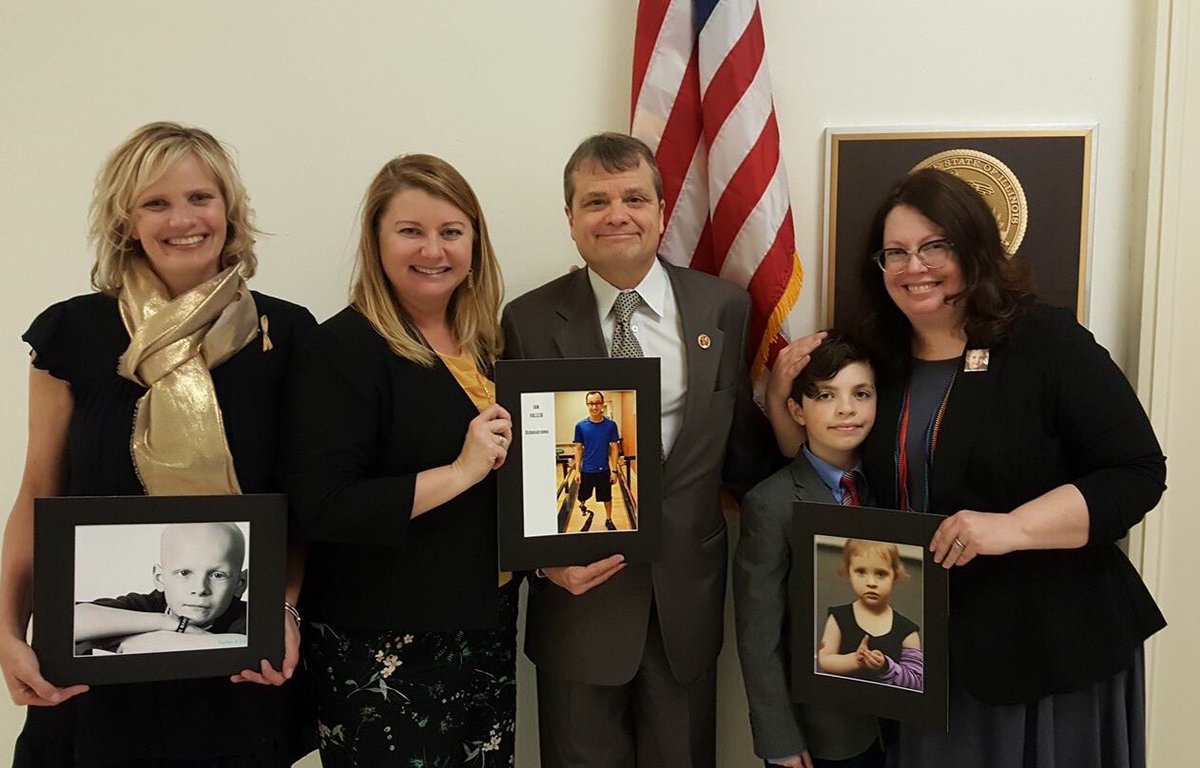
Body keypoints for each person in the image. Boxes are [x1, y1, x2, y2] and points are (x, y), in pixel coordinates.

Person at [767, 167, 1166, 767]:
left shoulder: (1045, 340)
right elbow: (821, 466)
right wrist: (780, 398)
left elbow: (1136, 472)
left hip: (1046, 647)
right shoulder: (874, 358)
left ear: (974, 248)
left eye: (935, 246)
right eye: (896, 252)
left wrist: (1012, 528)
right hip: (916, 650)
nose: (914, 266)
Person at [0, 121, 316, 765]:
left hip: (236, 666)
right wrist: (7, 630)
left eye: (201, 197)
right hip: (96, 682)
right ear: (127, 220)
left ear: (229, 208)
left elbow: (303, 499)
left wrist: (283, 611)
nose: (183, 220)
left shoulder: (286, 334)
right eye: (156, 202)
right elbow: (38, 492)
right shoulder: (71, 332)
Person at [501, 132, 780, 768]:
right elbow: (515, 469)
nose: (617, 214)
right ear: (570, 217)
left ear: (660, 211)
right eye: (595, 201)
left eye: (633, 198)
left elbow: (742, 452)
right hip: (578, 603)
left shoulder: (723, 308)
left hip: (687, 601)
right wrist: (541, 563)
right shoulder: (528, 319)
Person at [283, 153, 516, 767]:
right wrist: (460, 471)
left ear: (474, 242)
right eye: (411, 231)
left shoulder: (488, 344)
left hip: (483, 624)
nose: (433, 250)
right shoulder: (339, 349)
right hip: (383, 642)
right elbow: (324, 506)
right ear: (377, 242)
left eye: (451, 231)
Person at [735, 331, 886, 768]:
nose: (846, 409)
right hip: (821, 731)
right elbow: (759, 638)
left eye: (861, 394)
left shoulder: (890, 490)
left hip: (893, 722)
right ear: (797, 410)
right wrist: (779, 739)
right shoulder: (772, 505)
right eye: (826, 395)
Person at [74, 523, 249, 655]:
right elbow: (72, 621)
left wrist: (147, 642)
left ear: (240, 584)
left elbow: (249, 645)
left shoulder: (246, 617)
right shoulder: (148, 605)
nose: (200, 589)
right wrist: (169, 623)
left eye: (217, 575)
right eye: (184, 573)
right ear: (160, 578)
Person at [817, 539, 923, 693]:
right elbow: (825, 660)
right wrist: (856, 660)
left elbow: (916, 681)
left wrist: (886, 666)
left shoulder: (908, 632)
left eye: (881, 574)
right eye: (861, 572)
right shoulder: (838, 618)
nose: (871, 582)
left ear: (895, 576)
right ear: (848, 573)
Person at [573, 390, 621, 530]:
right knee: (582, 496)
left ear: (602, 403)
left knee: (607, 497)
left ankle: (609, 519)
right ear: (587, 405)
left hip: (603, 470)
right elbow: (578, 448)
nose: (594, 407)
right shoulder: (580, 426)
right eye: (591, 403)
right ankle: (583, 505)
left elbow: (614, 448)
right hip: (586, 470)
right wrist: (577, 470)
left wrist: (614, 471)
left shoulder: (611, 425)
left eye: (598, 403)